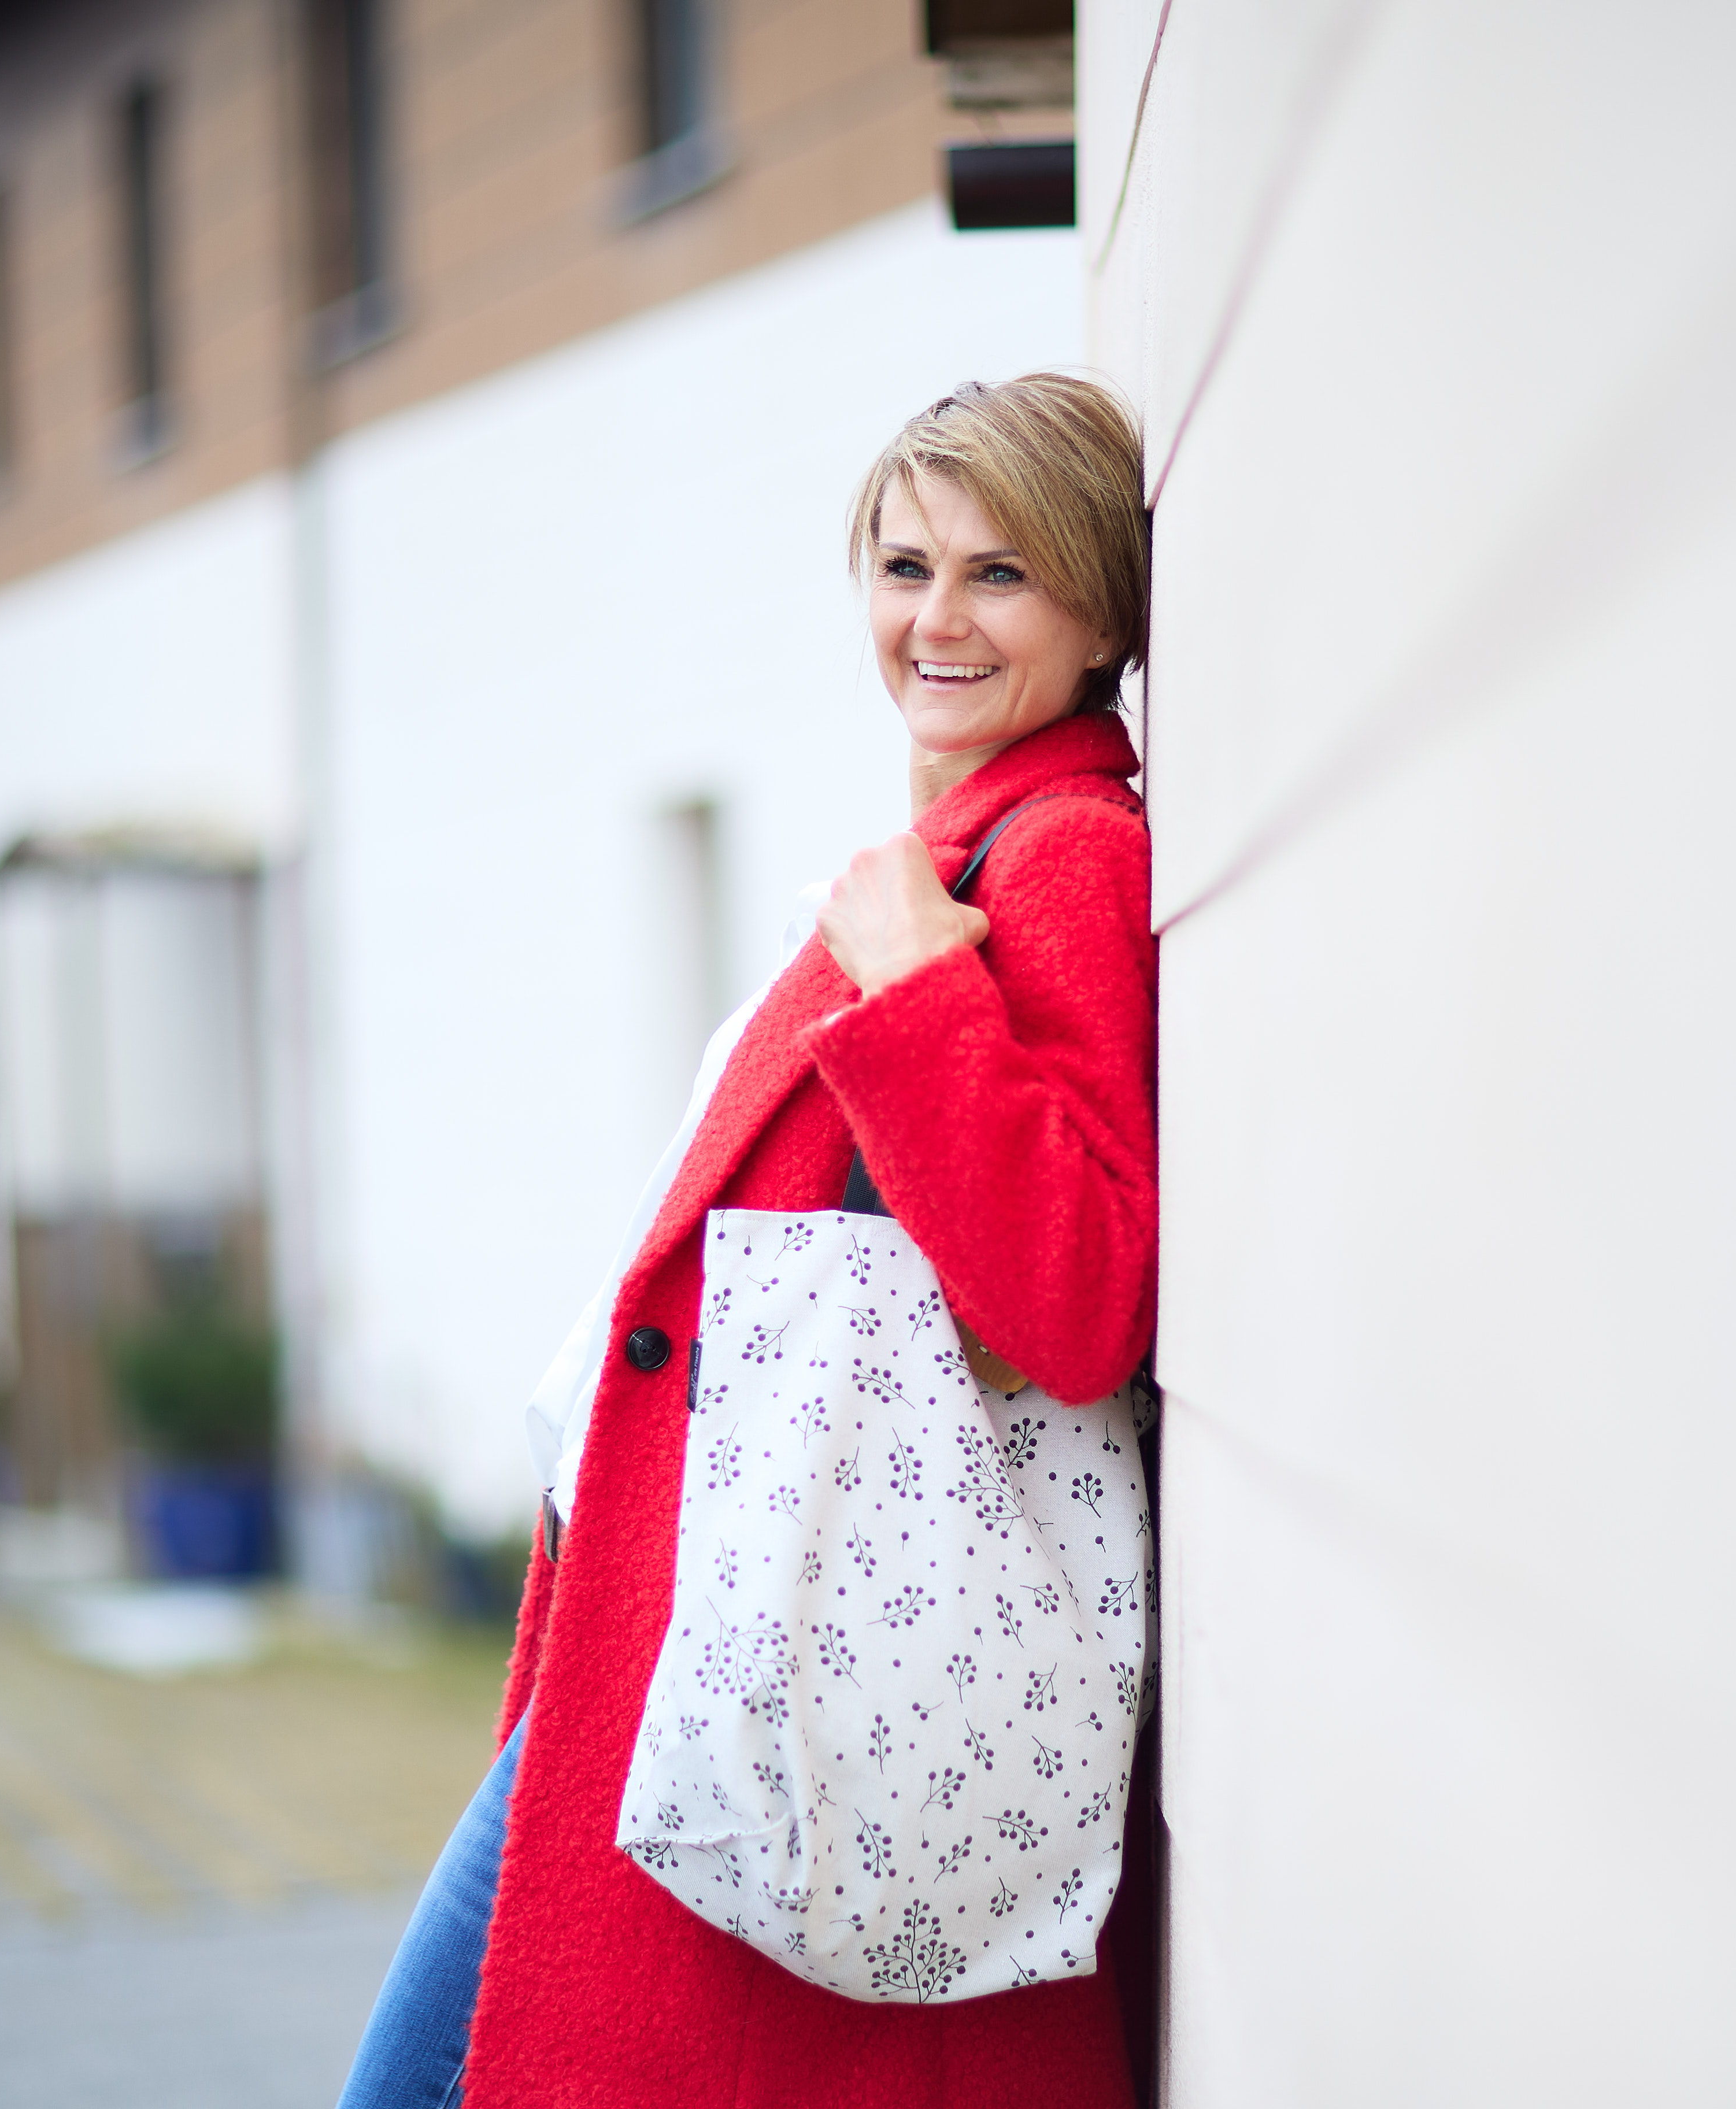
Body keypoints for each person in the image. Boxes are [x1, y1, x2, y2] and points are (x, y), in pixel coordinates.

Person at [336, 373, 1158, 2109]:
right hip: (695, 1639)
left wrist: (923, 983)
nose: (935, 618)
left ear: (1101, 611)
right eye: (903, 563)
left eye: (1001, 575)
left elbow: (1082, 1297)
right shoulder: (955, 848)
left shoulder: (1061, 854)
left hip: (776, 1642)